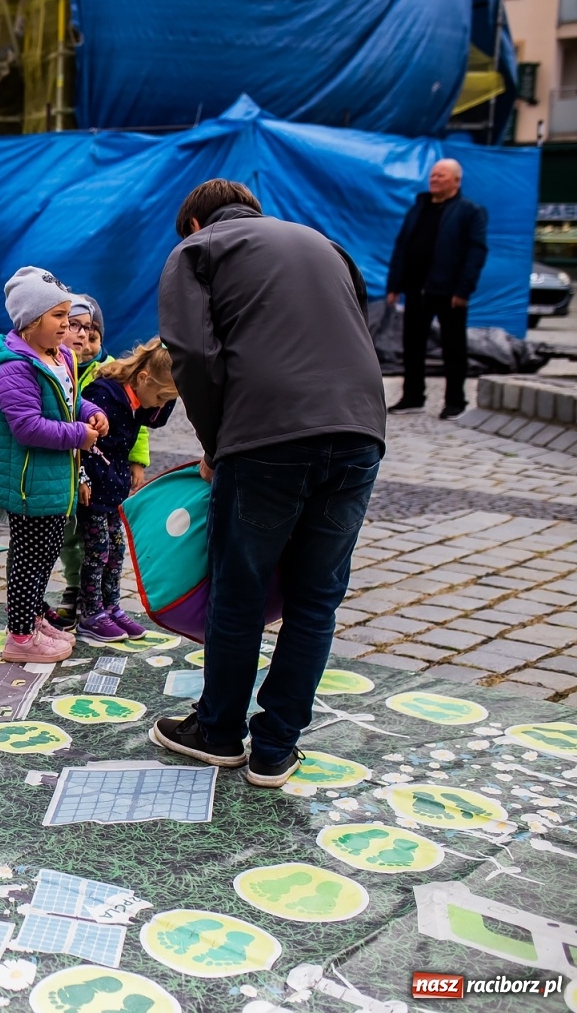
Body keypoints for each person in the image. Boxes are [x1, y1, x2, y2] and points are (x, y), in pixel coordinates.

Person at [153, 178, 385, 788]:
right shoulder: (324, 244)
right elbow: (352, 329)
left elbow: (193, 355)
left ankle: (219, 732)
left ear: (195, 224)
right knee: (316, 596)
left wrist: (215, 444)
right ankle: (277, 746)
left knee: (241, 588)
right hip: (360, 429)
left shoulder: (197, 252)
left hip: (267, 436)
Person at [0, 267, 107, 663]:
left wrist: (90, 410)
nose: (67, 325)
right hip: (28, 483)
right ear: (30, 321)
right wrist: (78, 436)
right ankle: (19, 638)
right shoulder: (15, 367)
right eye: (58, 316)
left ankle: (33, 617)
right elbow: (28, 427)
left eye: (67, 315)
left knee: (46, 553)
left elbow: (67, 402)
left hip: (52, 479)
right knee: (28, 561)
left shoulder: (60, 355)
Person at [52, 295, 152, 632]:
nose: (83, 338)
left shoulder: (107, 372)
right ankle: (75, 590)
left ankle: (94, 600)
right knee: (68, 538)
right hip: (66, 468)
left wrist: (138, 460)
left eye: (91, 333)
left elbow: (135, 425)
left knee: (101, 542)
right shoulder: (57, 368)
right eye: (75, 328)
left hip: (101, 477)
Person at [76, 339, 178, 643]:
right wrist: (81, 476)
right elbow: (81, 437)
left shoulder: (140, 400)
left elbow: (155, 419)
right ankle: (90, 614)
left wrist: (172, 391)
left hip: (114, 487)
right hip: (94, 487)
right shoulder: (105, 394)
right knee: (98, 552)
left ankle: (111, 607)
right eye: (160, 396)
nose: (160, 404)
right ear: (143, 379)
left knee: (117, 550)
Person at [384, 158, 489, 421]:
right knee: (412, 346)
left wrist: (464, 290)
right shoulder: (418, 209)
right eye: (432, 176)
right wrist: (395, 285)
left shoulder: (469, 211)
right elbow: (402, 247)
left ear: (456, 180)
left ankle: (455, 401)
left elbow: (475, 253)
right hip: (416, 290)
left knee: (453, 348)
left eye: (441, 176)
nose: (434, 180)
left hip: (449, 293)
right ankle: (413, 397)